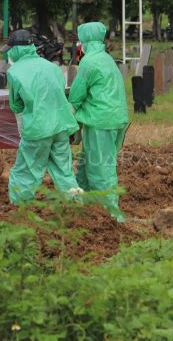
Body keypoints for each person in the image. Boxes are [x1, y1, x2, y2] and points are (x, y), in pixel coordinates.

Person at [2, 29, 81, 204]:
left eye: (10, 49)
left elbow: (16, 105)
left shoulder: (15, 72)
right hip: (61, 127)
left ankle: (20, 209)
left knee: (26, 172)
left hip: (37, 130)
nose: (9, 52)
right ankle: (76, 205)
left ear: (16, 49)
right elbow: (59, 92)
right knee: (64, 171)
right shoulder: (52, 67)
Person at [69, 22, 129, 222]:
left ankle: (113, 217)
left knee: (101, 169)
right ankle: (81, 207)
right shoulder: (106, 59)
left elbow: (77, 94)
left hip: (100, 122)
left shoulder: (88, 61)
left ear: (84, 41)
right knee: (87, 166)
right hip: (115, 119)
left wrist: (68, 111)